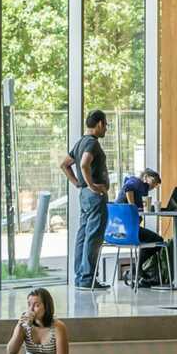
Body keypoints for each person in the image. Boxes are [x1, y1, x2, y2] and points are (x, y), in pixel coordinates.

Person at [60, 110, 111, 290]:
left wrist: (78, 184)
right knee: (94, 236)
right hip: (95, 196)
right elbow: (83, 164)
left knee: (83, 234)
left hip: (84, 196)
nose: (106, 129)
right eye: (105, 125)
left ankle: (81, 277)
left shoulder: (80, 142)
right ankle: (88, 278)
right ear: (99, 124)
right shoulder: (92, 143)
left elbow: (64, 164)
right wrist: (91, 185)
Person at [0, 288, 72, 354]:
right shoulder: (24, 326)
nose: (31, 309)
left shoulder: (58, 327)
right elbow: (11, 352)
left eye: (36, 305)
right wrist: (19, 326)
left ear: (47, 307)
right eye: (29, 305)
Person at [116, 168, 165, 286]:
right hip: (127, 229)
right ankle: (136, 270)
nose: (154, 185)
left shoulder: (141, 188)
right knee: (158, 240)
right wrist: (132, 207)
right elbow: (128, 188)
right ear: (146, 177)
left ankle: (137, 270)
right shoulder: (137, 182)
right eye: (154, 181)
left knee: (150, 239)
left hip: (118, 229)